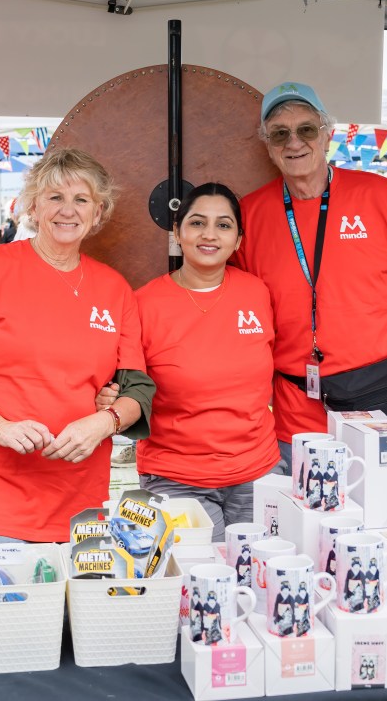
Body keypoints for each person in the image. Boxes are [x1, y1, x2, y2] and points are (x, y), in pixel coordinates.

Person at [0, 148, 155, 545]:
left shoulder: (114, 289)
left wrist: (104, 422)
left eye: (82, 199)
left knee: (74, 610)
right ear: (33, 205)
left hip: (80, 499)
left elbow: (137, 390)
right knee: (5, 609)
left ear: (98, 213)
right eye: (55, 197)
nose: (69, 210)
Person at [235, 82, 387, 471]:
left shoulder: (382, 196)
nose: (294, 142)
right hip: (299, 408)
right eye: (280, 133)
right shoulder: (249, 214)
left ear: (328, 135)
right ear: (267, 145)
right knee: (309, 523)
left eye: (306, 129)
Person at [119, 183, 279, 540]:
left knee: (257, 582)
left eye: (223, 225)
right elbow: (126, 389)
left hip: (257, 473)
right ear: (177, 232)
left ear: (238, 239)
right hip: (177, 479)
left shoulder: (257, 292)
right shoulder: (143, 304)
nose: (209, 234)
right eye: (196, 223)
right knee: (199, 587)